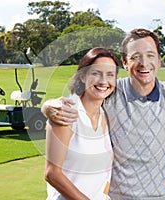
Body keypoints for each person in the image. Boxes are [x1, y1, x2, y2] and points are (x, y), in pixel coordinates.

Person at [42, 28, 165, 199]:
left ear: (159, 61)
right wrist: (47, 106)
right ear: (125, 62)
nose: (103, 81)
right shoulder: (76, 108)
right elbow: (51, 173)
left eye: (150, 55)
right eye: (135, 56)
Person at [44, 47, 120, 200]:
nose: (103, 81)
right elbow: (52, 173)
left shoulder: (103, 114)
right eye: (96, 73)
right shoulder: (66, 111)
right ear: (83, 76)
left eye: (110, 74)